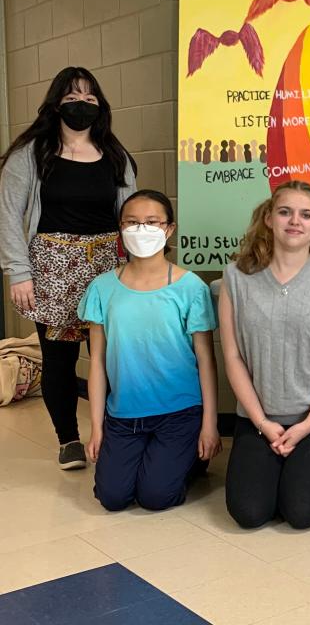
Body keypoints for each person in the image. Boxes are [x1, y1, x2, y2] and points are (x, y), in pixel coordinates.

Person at [0, 67, 137, 469]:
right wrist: (18, 272)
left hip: (108, 267)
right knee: (59, 356)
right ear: (57, 104)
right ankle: (68, 440)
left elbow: (129, 215)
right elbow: (9, 215)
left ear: (101, 106)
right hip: (52, 267)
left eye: (91, 98)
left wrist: (135, 270)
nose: (83, 104)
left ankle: (111, 431)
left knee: (111, 355)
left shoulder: (115, 154)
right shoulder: (32, 154)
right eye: (74, 97)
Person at [221, 181, 310, 529]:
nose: (295, 221)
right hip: (259, 416)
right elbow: (233, 357)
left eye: (306, 214)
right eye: (285, 212)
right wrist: (263, 423)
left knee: (301, 512)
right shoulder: (236, 277)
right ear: (268, 218)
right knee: (249, 514)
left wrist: (308, 424)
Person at [80, 190, 219, 511]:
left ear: (169, 229)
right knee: (112, 498)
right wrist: (97, 428)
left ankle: (188, 465)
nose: (141, 230)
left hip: (179, 413)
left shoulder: (191, 287)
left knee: (156, 497)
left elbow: (206, 361)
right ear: (120, 228)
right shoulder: (102, 288)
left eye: (152, 222)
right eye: (132, 222)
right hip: (123, 415)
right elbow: (97, 363)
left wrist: (209, 424)